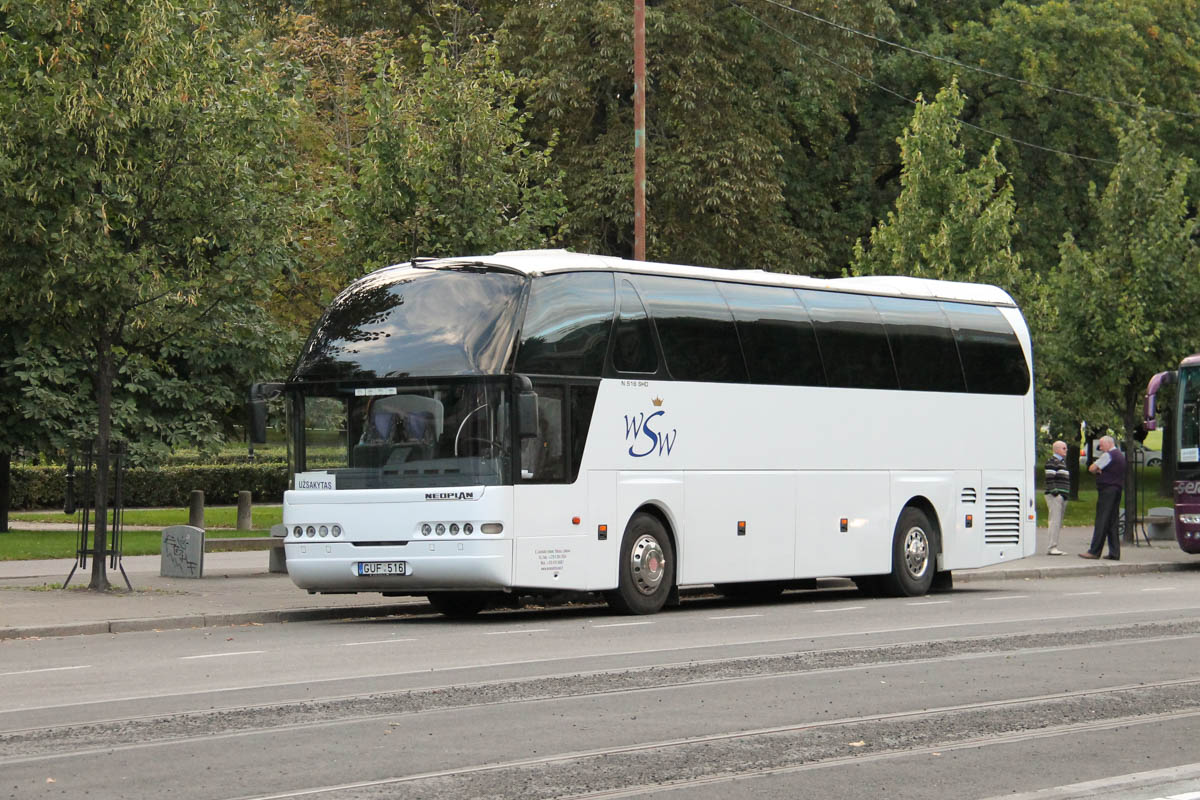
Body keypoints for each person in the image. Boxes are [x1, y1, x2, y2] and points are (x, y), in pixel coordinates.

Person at [1081, 435, 1125, 560]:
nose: (1100, 447)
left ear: (1108, 443)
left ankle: (1094, 551)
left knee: (1102, 520)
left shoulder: (1108, 455)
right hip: (1117, 490)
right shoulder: (1120, 456)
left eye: (1101, 445)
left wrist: (1099, 470)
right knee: (1112, 521)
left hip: (1107, 491)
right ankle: (1114, 552)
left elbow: (1092, 468)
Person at [1043, 440, 1070, 555]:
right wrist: (1056, 494)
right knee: (1054, 521)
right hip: (1055, 496)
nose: (1066, 450)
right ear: (1057, 449)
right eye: (1064, 448)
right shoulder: (1052, 462)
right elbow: (1049, 478)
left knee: (1057, 521)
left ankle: (1054, 546)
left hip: (1062, 496)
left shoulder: (1062, 462)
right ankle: (1052, 547)